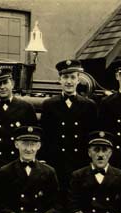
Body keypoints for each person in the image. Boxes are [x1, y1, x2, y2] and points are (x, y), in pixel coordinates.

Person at [40, 59, 98, 187]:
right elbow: (44, 135)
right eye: (65, 77)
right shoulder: (49, 105)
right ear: (59, 80)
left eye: (73, 77)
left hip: (80, 161)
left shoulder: (89, 106)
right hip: (56, 161)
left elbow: (92, 136)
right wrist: (44, 159)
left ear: (78, 80)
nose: (69, 81)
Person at [0, 68, 37, 172]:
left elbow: (35, 137)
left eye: (5, 83)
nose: (2, 87)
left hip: (17, 163)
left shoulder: (26, 108)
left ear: (12, 84)